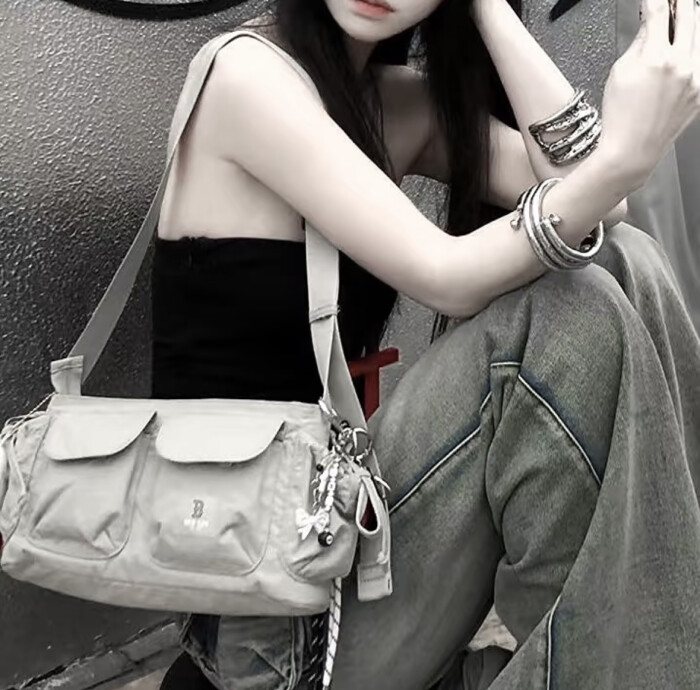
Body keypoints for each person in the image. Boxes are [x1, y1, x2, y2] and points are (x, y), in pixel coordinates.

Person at [151, 0, 700, 687]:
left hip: (339, 536)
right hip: (265, 621)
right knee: (571, 312)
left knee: (625, 258)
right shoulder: (244, 77)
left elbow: (601, 207)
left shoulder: (396, 103)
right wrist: (623, 160)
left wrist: (488, 10)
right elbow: (448, 275)